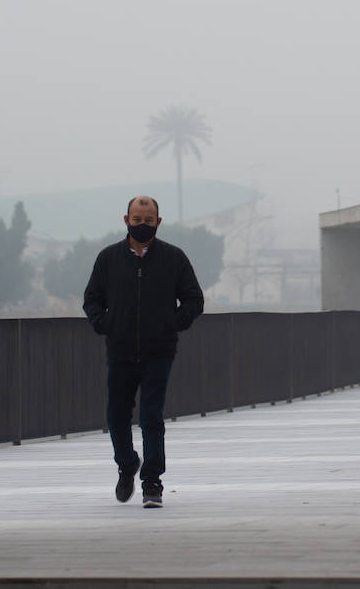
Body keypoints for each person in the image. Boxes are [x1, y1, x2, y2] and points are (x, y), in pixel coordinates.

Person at [82, 195, 204, 509]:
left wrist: (171, 323)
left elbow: (194, 300)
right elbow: (92, 298)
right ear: (126, 220)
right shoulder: (108, 259)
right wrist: (104, 323)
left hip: (158, 352)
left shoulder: (174, 258)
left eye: (148, 221)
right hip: (120, 351)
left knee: (151, 417)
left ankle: (152, 482)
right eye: (137, 220)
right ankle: (127, 464)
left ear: (158, 222)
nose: (142, 225)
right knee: (116, 416)